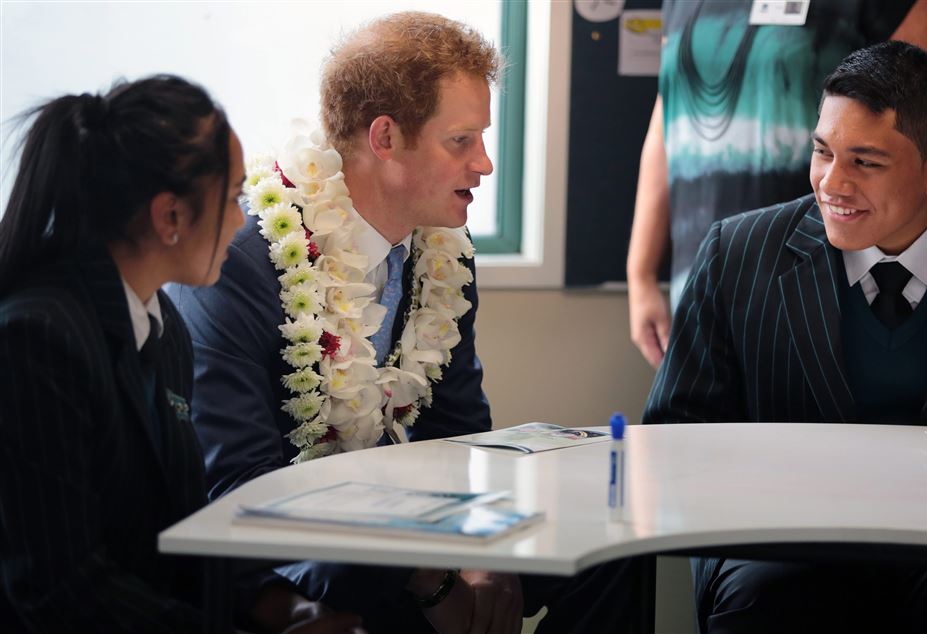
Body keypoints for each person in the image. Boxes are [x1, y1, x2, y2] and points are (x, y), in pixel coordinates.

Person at [168, 12, 637, 634]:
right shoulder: (241, 260)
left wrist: (482, 554)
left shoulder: (443, 251)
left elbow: (459, 431)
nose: (485, 164)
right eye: (461, 140)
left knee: (609, 541)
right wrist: (432, 576)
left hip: (408, 523)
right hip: (293, 551)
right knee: (371, 575)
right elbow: (241, 486)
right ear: (385, 138)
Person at [644, 41, 927, 633]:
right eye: (822, 152)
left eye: (865, 162)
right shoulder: (736, 254)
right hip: (784, 549)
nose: (832, 183)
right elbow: (672, 436)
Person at [0, 77, 363, 633]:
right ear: (170, 216)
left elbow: (182, 526)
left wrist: (285, 608)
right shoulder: (36, 341)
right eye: (234, 197)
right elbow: (59, 586)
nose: (242, 220)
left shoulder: (162, 325)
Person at [627, 0, 927, 368]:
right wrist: (641, 273)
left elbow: (923, 138)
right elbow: (669, 118)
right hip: (703, 279)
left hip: (824, 285)